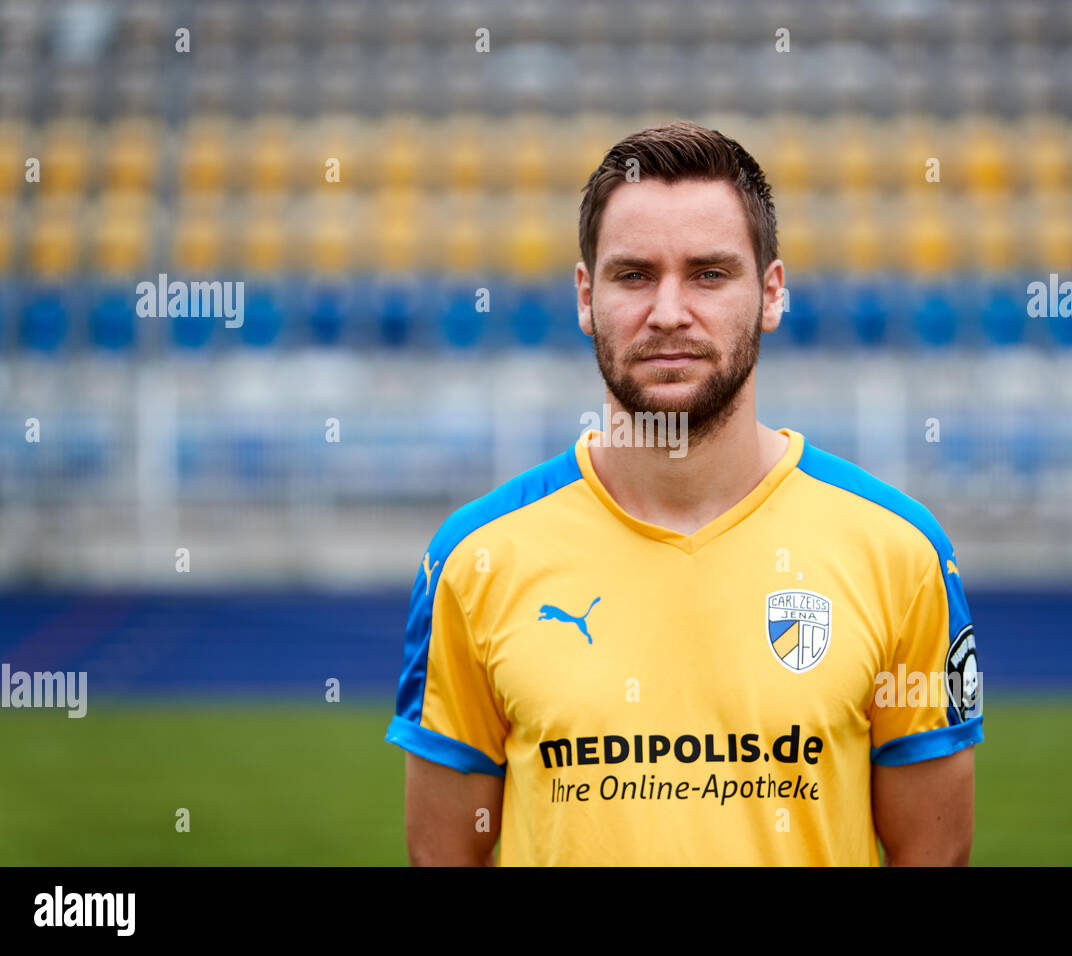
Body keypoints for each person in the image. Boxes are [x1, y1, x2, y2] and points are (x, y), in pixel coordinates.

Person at [385, 120, 983, 865]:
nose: (668, 312)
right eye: (634, 275)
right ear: (584, 296)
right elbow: (444, 854)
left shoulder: (901, 553)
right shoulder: (473, 561)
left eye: (709, 274)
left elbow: (933, 852)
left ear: (770, 294)